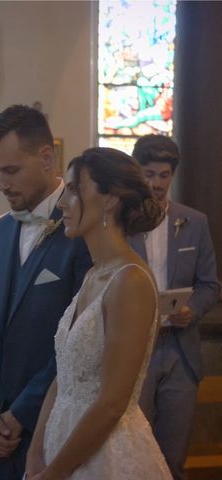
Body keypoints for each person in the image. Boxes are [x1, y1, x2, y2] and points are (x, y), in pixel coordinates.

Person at [25, 147, 172, 479]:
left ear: (110, 199)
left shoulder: (130, 280)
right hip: (60, 445)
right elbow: (64, 375)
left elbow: (112, 404)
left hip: (103, 454)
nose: (62, 203)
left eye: (75, 190)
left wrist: (55, 473)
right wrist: (36, 451)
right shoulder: (94, 274)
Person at [0, 106, 91, 480]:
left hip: (55, 429)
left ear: (47, 157)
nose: (1, 184)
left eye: (11, 170)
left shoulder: (83, 230)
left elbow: (81, 341)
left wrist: (21, 414)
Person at [129, 135, 220, 479]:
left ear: (173, 175)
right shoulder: (121, 222)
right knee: (136, 452)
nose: (156, 183)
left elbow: (211, 284)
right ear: (137, 172)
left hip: (180, 349)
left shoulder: (193, 221)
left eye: (164, 175)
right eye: (148, 174)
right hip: (136, 347)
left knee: (172, 458)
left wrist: (192, 310)